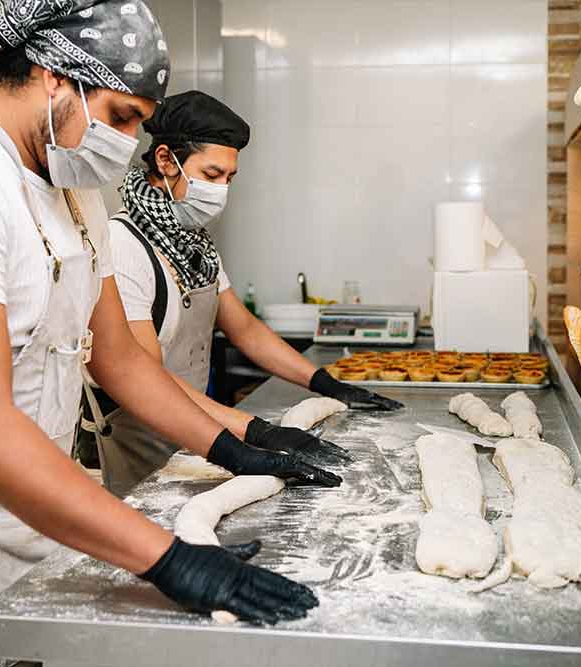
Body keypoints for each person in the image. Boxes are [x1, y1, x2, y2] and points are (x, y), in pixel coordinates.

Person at [0, 3, 342, 666]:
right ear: (50, 74)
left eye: (138, 124)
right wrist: (168, 557)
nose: (125, 142)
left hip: (25, 521)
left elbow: (118, 358)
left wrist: (236, 446)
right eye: (120, 116)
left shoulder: (74, 187)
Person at [83, 91, 403, 497]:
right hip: (142, 448)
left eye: (229, 178)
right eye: (212, 174)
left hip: (200, 438)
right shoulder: (123, 246)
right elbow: (145, 377)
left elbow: (245, 329)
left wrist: (325, 382)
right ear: (165, 160)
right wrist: (256, 431)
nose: (221, 190)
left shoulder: (193, 242)